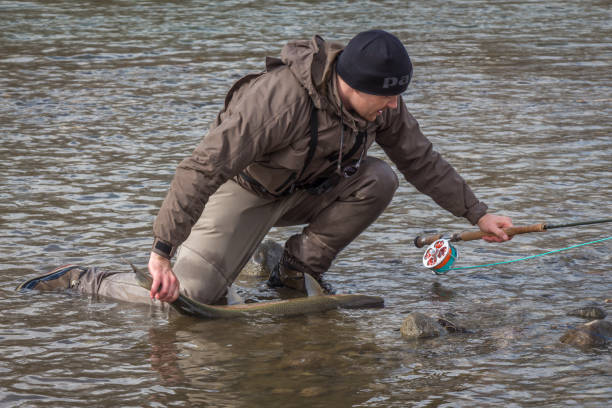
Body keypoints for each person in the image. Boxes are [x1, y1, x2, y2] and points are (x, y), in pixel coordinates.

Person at [18, 30, 512, 304]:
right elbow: (200, 169)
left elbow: (419, 158)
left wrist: (478, 214)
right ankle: (90, 280)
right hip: (246, 191)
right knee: (193, 296)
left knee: (380, 178)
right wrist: (161, 250)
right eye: (384, 98)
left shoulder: (383, 102)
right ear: (350, 84)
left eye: (397, 97)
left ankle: (293, 271)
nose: (392, 107)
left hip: (311, 189)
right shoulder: (277, 103)